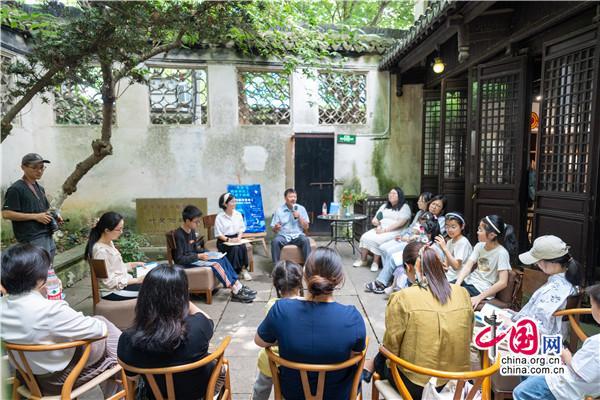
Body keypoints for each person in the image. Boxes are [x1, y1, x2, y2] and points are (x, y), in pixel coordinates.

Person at [0, 244, 121, 396]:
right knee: (104, 325)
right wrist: (55, 302)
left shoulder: (3, 306)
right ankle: (130, 374)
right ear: (39, 279)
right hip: (61, 380)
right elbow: (99, 330)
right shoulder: (50, 310)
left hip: (28, 377)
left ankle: (120, 380)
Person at [362, 243, 474, 399]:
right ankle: (372, 364)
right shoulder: (462, 293)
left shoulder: (403, 297)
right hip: (457, 382)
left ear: (408, 267)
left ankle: (371, 365)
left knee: (384, 354)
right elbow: (468, 337)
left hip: (417, 387)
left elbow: (392, 348)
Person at [255, 247, 366, 400]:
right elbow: (354, 355)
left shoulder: (281, 310)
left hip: (293, 394)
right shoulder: (352, 318)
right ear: (340, 278)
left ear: (305, 276)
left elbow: (260, 341)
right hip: (337, 395)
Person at [118, 265, 223, 399]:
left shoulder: (128, 339)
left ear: (144, 297)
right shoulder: (197, 328)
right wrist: (184, 299)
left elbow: (132, 377)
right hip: (199, 395)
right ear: (183, 296)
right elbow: (207, 320)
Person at [513, 284, 600, 400]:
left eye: (592, 305)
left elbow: (578, 371)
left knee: (521, 392)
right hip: (579, 384)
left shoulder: (596, 343)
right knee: (529, 366)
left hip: (564, 386)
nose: (591, 309)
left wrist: (566, 356)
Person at [172, 205, 256, 303]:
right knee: (216, 264)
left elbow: (194, 249)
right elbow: (179, 259)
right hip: (186, 263)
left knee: (222, 257)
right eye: (196, 222)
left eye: (199, 221)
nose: (198, 224)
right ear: (187, 221)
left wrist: (210, 253)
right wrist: (198, 256)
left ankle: (238, 285)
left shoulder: (191, 231)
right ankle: (234, 289)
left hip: (194, 258)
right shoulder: (179, 235)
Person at [252, 260, 304, 400]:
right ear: (299, 283)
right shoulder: (307, 305)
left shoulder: (273, 305)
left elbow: (262, 339)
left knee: (260, 387)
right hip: (297, 361)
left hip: (273, 360)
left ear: (276, 284)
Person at [512, 235, 581, 336]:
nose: (537, 264)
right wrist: (513, 316)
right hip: (539, 332)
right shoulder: (565, 280)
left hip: (537, 339)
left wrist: (511, 324)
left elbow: (540, 329)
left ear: (551, 262)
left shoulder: (556, 289)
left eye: (538, 261)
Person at [2, 153, 60, 262]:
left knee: (48, 269)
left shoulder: (40, 188)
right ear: (23, 167)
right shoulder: (16, 189)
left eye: (42, 167)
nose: (39, 171)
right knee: (37, 270)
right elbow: (6, 214)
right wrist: (35, 217)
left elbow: (44, 211)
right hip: (32, 239)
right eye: (34, 167)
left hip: (47, 235)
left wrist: (54, 216)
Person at [365, 218, 442, 294]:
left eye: (426, 232)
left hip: (419, 262)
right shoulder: (424, 237)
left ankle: (381, 283)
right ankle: (382, 282)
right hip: (414, 257)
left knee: (393, 258)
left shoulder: (436, 245)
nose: (423, 233)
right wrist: (414, 238)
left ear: (431, 233)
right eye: (423, 231)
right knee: (392, 256)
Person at [455, 215, 518, 308]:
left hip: (481, 289)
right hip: (469, 282)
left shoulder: (501, 253)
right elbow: (468, 266)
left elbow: (503, 282)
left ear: (492, 235)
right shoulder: (479, 246)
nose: (477, 232)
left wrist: (479, 297)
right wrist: (457, 284)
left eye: (480, 230)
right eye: (478, 229)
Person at [85, 212, 145, 300]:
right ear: (107, 230)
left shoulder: (109, 242)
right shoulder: (101, 251)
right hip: (114, 292)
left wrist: (132, 265)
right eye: (119, 229)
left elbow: (114, 269)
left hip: (121, 285)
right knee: (155, 290)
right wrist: (137, 280)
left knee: (156, 284)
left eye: (122, 229)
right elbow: (109, 282)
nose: (121, 232)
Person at [353, 187, 412, 272]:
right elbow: (377, 218)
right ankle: (363, 260)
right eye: (390, 193)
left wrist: (385, 230)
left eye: (394, 193)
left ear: (400, 196)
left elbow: (401, 223)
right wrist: (377, 223)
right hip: (381, 228)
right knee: (364, 236)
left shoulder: (404, 207)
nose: (391, 195)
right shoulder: (384, 206)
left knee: (378, 240)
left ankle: (375, 262)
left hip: (395, 231)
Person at [215, 193, 251, 281]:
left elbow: (241, 229)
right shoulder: (219, 217)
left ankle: (243, 269)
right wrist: (229, 240)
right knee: (235, 248)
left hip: (236, 238)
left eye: (235, 201)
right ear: (225, 204)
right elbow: (218, 234)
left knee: (242, 246)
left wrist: (239, 238)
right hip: (224, 240)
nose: (235, 203)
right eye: (232, 201)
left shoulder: (238, 214)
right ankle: (234, 271)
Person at [270, 188, 311, 264]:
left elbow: (306, 227)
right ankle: (276, 266)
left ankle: (307, 266)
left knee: (305, 240)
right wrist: (276, 227)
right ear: (285, 198)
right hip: (284, 236)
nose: (293, 199)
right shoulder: (279, 210)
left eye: (295, 197)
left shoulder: (301, 209)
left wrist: (299, 217)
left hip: (298, 235)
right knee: (275, 241)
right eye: (290, 197)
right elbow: (274, 230)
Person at [435, 212, 472, 283]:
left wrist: (444, 248)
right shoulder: (450, 242)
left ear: (462, 226)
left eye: (453, 227)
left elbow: (456, 266)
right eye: (447, 227)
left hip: (459, 279)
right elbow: (446, 266)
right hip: (449, 276)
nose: (449, 230)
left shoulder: (463, 242)